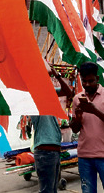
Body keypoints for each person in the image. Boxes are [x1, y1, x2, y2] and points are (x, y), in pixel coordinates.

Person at [69, 62, 104, 193]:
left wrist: (95, 111)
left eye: (90, 81)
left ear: (97, 78)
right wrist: (77, 118)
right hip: (85, 156)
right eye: (84, 81)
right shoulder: (77, 99)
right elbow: (75, 129)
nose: (87, 84)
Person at [30, 63, 74, 193]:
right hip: (45, 151)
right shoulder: (35, 96)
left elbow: (68, 92)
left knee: (51, 190)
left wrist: (57, 75)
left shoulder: (49, 95)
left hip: (53, 150)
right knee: (48, 190)